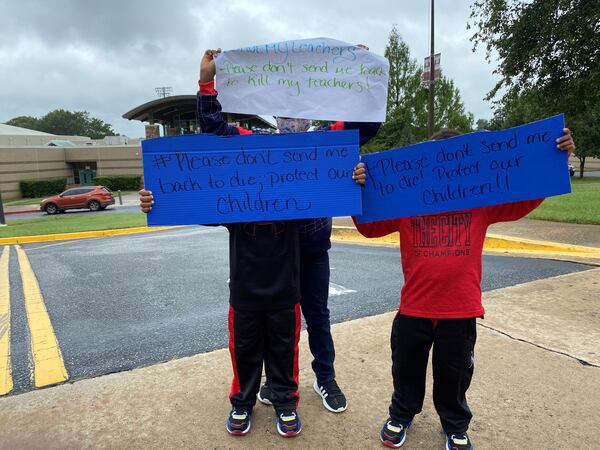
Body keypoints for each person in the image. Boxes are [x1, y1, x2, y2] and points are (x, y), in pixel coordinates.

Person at [141, 47, 380, 414]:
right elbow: (215, 130)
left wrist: (362, 73)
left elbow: (366, 126)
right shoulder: (254, 142)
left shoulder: (327, 139)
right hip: (269, 252)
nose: (292, 117)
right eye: (284, 110)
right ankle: (276, 384)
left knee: (317, 314)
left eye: (300, 111)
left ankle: (324, 377)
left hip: (312, 246)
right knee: (272, 319)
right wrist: (207, 82)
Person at [351, 127, 575, 449]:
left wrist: (555, 157)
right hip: (414, 307)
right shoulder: (406, 199)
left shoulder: (480, 201)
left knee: (454, 375)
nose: (442, 170)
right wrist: (358, 189)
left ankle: (455, 424)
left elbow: (524, 196)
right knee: (406, 369)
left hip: (460, 308)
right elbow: (370, 227)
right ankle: (401, 414)